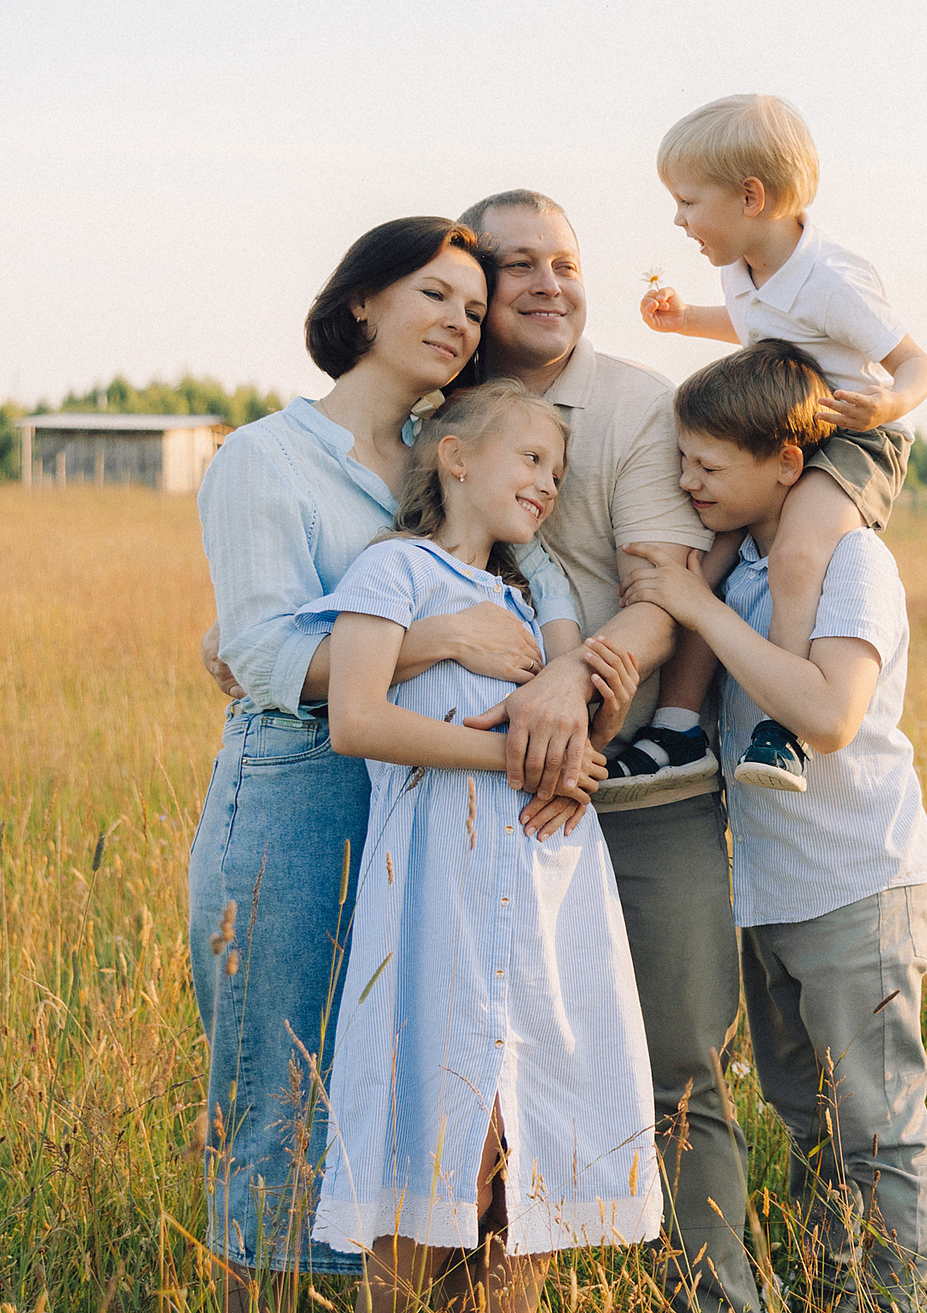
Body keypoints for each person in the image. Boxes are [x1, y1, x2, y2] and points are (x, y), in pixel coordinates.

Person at [190, 216, 602, 1301]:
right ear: (363, 301)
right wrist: (442, 642)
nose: (460, 323)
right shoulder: (265, 459)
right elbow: (263, 651)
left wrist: (557, 687)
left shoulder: (449, 443)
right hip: (300, 792)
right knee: (283, 1093)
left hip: (432, 818)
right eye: (435, 296)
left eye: (473, 308)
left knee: (404, 1093)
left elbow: (542, 581)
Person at [452, 189, 763, 1313]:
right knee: (480, 1075)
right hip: (474, 794)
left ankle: (715, 1296)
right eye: (519, 264)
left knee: (679, 1066)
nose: (549, 283)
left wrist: (562, 685)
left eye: (566, 262)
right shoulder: (432, 408)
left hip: (642, 788)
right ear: (476, 285)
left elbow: (659, 594)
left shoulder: (640, 403)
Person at [303, 381, 657, 1311]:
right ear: (456, 459)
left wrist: (576, 753)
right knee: (433, 1134)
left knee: (526, 1150)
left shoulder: (533, 598)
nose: (548, 483)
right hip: (437, 892)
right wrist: (507, 756)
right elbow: (356, 717)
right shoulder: (395, 572)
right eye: (532, 459)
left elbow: (574, 720)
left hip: (547, 890)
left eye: (559, 471)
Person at [621, 341, 927, 1311]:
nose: (689, 483)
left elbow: (828, 714)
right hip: (768, 889)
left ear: (786, 466)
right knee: (807, 1120)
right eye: (683, 463)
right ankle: (824, 1291)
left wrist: (695, 607)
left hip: (856, 882)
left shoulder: (851, 561)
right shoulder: (749, 563)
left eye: (708, 467)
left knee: (877, 1131)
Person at [636, 94, 927, 796]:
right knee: (708, 553)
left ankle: (785, 727)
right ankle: (678, 726)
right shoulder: (742, 268)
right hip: (790, 433)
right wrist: (686, 322)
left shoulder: (832, 279)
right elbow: (753, 325)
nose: (678, 220)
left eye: (687, 202)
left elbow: (918, 363)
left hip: (856, 439)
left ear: (751, 197)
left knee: (798, 552)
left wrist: (887, 402)